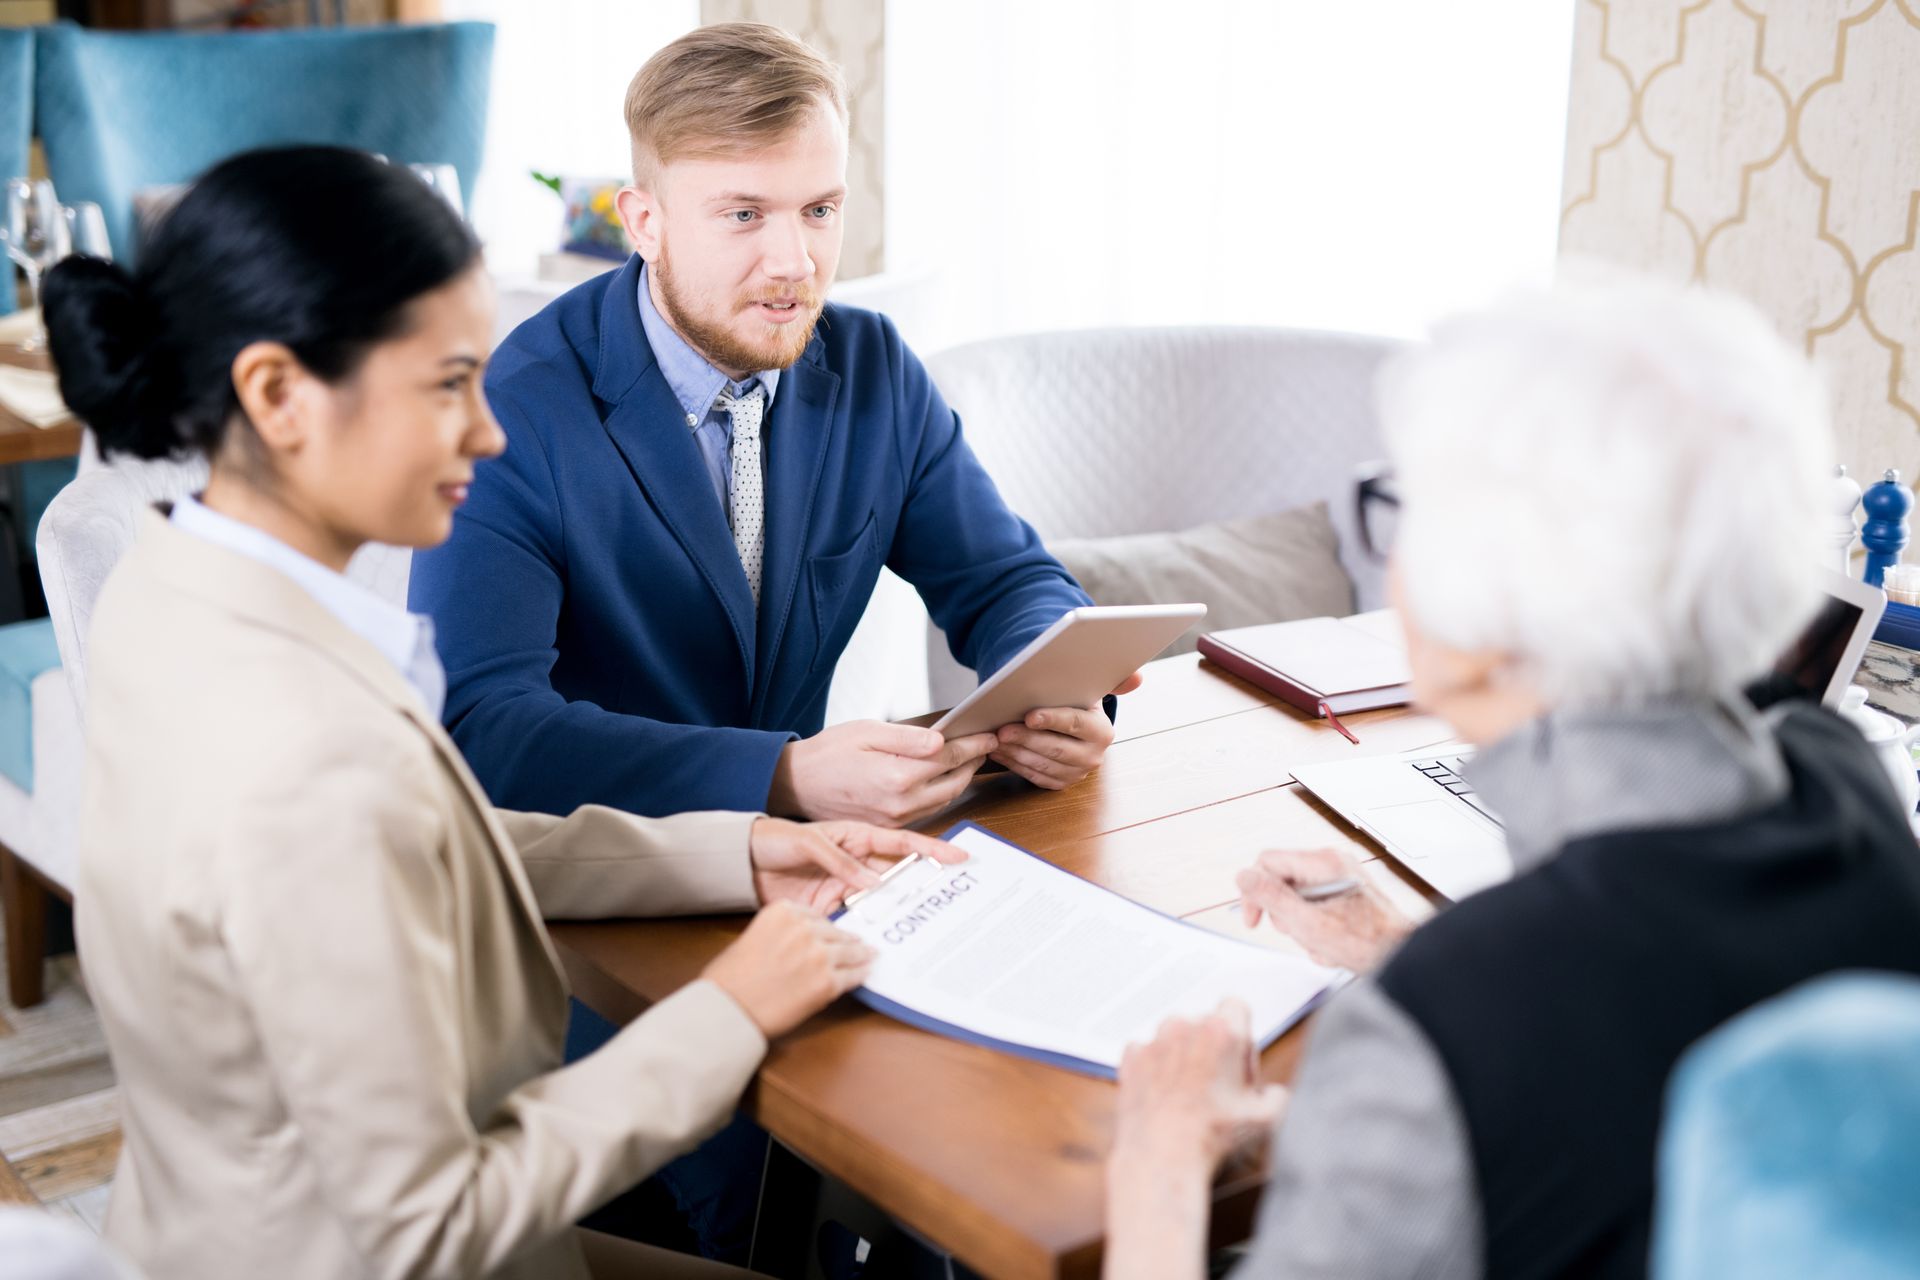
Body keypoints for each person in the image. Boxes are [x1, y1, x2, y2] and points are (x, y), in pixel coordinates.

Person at [44, 146, 962, 1280]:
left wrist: (740, 848)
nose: (489, 430)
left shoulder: (175, 583)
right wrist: (729, 1004)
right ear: (278, 394)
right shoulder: (305, 759)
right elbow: (434, 1223)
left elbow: (421, 843)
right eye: (447, 385)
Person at [1102, 277, 1920, 1279]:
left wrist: (1159, 1155)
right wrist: (1414, 948)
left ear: (1488, 613)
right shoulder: (1847, 784)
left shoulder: (1427, 1031)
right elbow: (1656, 1018)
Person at [407, 23, 1138, 831]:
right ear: (644, 224)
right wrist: (778, 775)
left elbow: (1010, 583)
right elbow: (477, 728)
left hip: (815, 867)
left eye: (819, 209)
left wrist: (1054, 703)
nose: (794, 261)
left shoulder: (873, 367)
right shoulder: (514, 407)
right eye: (745, 214)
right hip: (599, 879)